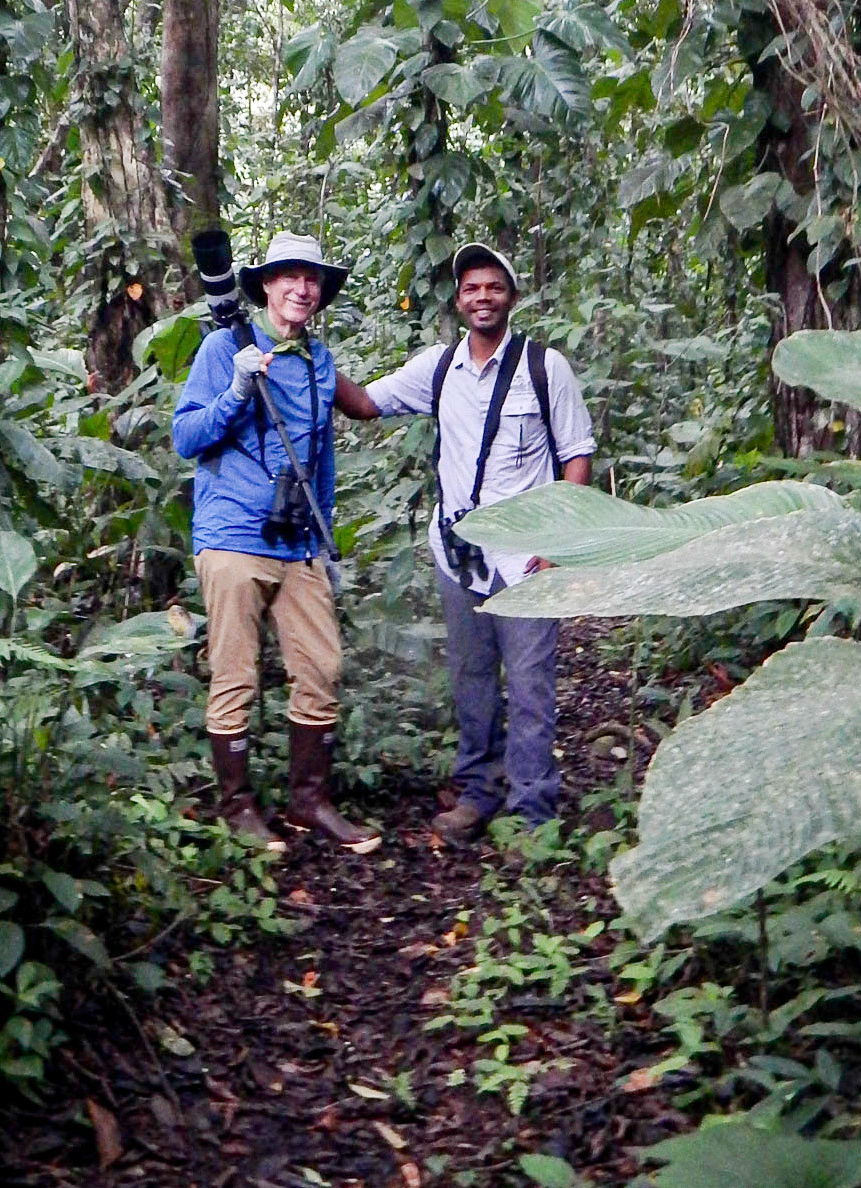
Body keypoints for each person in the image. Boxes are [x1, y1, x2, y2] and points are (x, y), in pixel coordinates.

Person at [336, 243, 594, 844]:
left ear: (512, 296)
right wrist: (307, 359)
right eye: (472, 288)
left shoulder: (543, 367)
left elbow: (577, 454)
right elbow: (369, 404)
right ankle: (477, 792)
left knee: (530, 685)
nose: (483, 297)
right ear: (458, 300)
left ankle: (532, 813)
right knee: (472, 679)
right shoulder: (439, 368)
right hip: (459, 554)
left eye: (494, 287)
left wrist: (560, 542)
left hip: (526, 557)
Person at [173, 231, 381, 856]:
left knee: (322, 667)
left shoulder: (320, 362)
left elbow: (321, 460)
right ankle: (237, 806)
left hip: (298, 543)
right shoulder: (222, 347)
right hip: (233, 534)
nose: (302, 287)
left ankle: (308, 800)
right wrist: (236, 391)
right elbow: (187, 438)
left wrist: (325, 537)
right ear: (265, 285)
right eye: (289, 275)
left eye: (312, 278)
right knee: (235, 674)